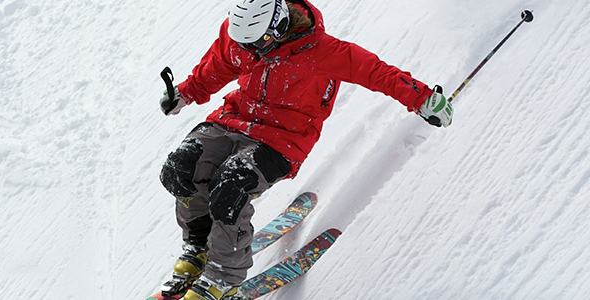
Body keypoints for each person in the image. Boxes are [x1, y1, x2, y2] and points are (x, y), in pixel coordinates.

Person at [157, 0, 453, 299]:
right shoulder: (244, 38)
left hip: (281, 139)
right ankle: (199, 247)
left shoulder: (324, 52)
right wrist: (186, 92)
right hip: (234, 120)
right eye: (244, 43)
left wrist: (422, 98)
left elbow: (377, 73)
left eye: (258, 43)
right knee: (180, 168)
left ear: (279, 26)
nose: (251, 50)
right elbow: (220, 63)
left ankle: (223, 278)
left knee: (230, 188)